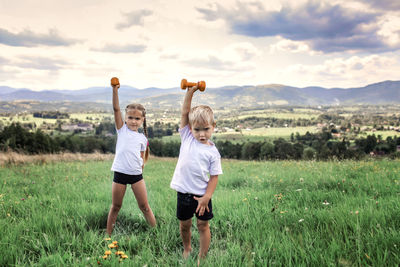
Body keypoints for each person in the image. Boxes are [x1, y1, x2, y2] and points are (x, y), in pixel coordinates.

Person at [170, 84, 223, 263]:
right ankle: (187, 248)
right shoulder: (186, 137)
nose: (201, 134)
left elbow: (214, 177)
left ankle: (202, 257)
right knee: (185, 226)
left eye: (206, 129)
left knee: (203, 225)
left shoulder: (213, 152)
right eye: (197, 129)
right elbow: (185, 113)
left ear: (213, 127)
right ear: (190, 128)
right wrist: (190, 93)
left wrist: (207, 197)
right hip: (184, 194)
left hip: (202, 196)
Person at [106, 82, 156, 236]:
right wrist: (115, 90)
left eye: (137, 118)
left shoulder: (142, 138)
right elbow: (115, 109)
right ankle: (108, 235)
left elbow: (141, 157)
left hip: (136, 176)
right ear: (125, 118)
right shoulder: (121, 130)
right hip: (120, 174)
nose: (133, 121)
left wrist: (139, 169)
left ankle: (156, 232)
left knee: (145, 206)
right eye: (130, 117)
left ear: (142, 120)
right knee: (115, 206)